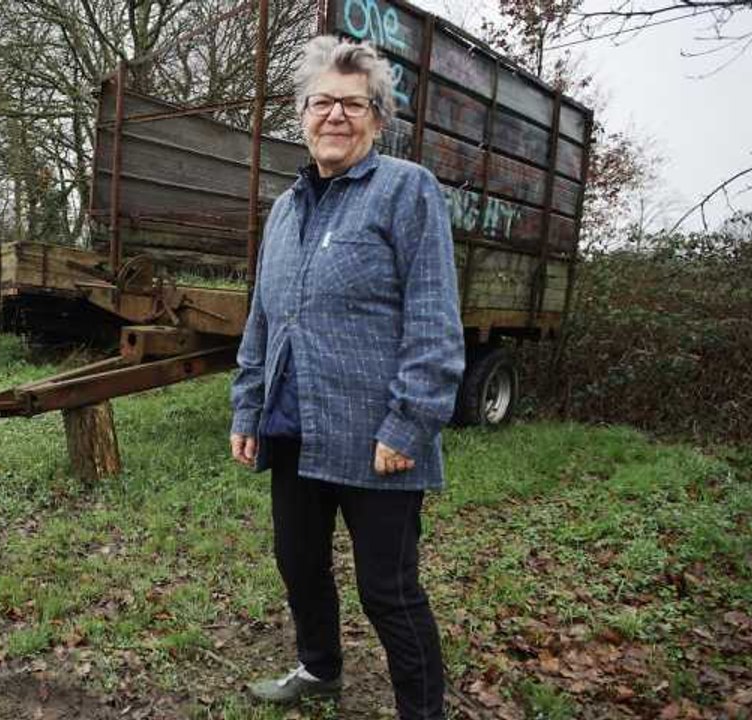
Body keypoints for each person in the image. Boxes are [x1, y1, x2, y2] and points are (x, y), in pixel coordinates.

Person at [229, 35, 464, 720]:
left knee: (387, 590)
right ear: (301, 115)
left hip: (375, 438)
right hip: (292, 430)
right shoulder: (285, 209)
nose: (335, 115)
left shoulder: (404, 190)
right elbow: (263, 323)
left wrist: (409, 422)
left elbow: (433, 320)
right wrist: (246, 409)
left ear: (377, 119)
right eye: (321, 102)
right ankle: (318, 670)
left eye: (353, 104)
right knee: (298, 565)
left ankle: (423, 712)